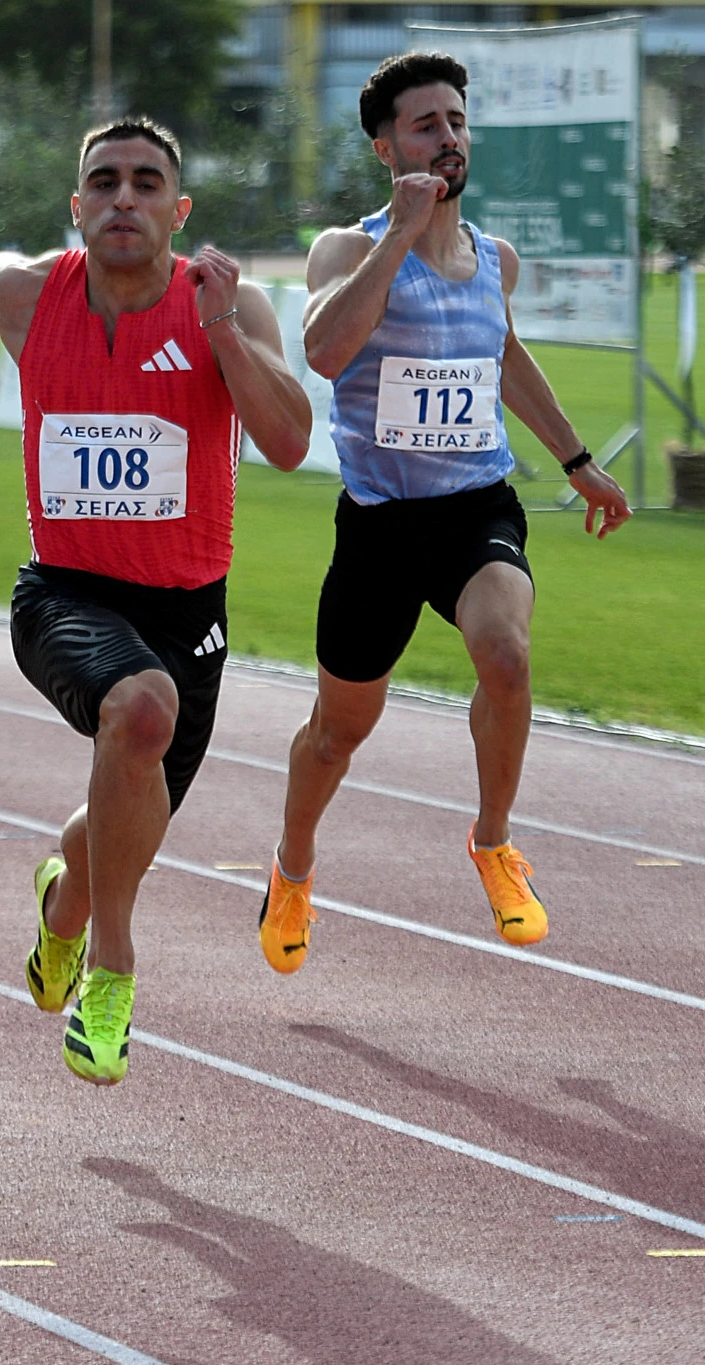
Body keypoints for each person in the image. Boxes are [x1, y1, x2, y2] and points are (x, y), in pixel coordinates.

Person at [0, 118, 311, 1085]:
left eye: (147, 183)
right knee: (140, 711)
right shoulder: (25, 292)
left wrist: (216, 329)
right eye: (105, 183)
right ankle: (111, 976)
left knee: (121, 822)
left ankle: (63, 908)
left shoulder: (229, 310)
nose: (126, 199)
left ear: (179, 208)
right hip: (64, 593)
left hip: (188, 610)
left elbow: (288, 442)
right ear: (76, 206)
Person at [255, 53, 632, 971]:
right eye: (426, 125)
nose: (449, 137)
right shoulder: (347, 248)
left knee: (505, 654)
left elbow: (506, 358)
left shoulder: (492, 260)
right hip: (380, 527)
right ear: (387, 146)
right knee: (338, 732)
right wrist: (401, 235)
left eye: (457, 120)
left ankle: (495, 842)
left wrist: (578, 461)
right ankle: (293, 868)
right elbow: (328, 352)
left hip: (476, 508)